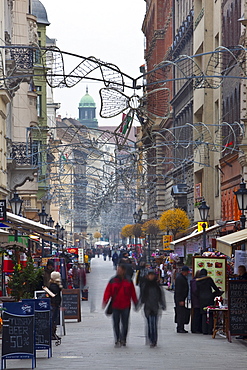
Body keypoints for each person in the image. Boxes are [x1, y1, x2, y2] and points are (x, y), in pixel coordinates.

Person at [102, 264, 138, 347]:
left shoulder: (128, 280)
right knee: (116, 323)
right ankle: (117, 338)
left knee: (125, 323)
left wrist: (135, 302)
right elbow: (108, 291)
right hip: (115, 305)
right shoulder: (113, 280)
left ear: (124, 271)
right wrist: (105, 300)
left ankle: (123, 339)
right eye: (117, 269)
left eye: (120, 269)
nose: (118, 271)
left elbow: (132, 292)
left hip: (126, 305)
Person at [139, 270, 166, 347]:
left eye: (152, 275)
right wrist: (139, 304)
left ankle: (154, 340)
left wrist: (162, 304)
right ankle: (150, 339)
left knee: (154, 324)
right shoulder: (145, 285)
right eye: (149, 275)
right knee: (150, 324)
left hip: (155, 307)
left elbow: (161, 296)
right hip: (147, 307)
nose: (151, 277)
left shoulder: (157, 286)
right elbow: (141, 296)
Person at [196, 268, 223, 335]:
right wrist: (217, 293)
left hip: (201, 298)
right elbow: (215, 287)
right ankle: (209, 330)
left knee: (203, 313)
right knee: (210, 314)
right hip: (209, 297)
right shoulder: (208, 279)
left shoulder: (197, 281)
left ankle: (204, 330)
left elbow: (197, 290)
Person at [174, 265, 189, 333]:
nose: (188, 273)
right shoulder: (180, 278)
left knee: (181, 313)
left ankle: (181, 327)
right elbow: (179, 290)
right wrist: (181, 300)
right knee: (180, 313)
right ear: (184, 272)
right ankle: (180, 327)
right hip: (179, 298)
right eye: (187, 272)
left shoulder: (181, 277)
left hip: (180, 298)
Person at [49, 271, 62, 340]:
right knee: (53, 319)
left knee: (54, 319)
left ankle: (53, 333)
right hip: (54, 304)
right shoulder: (54, 286)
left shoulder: (54, 285)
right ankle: (52, 334)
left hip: (55, 304)